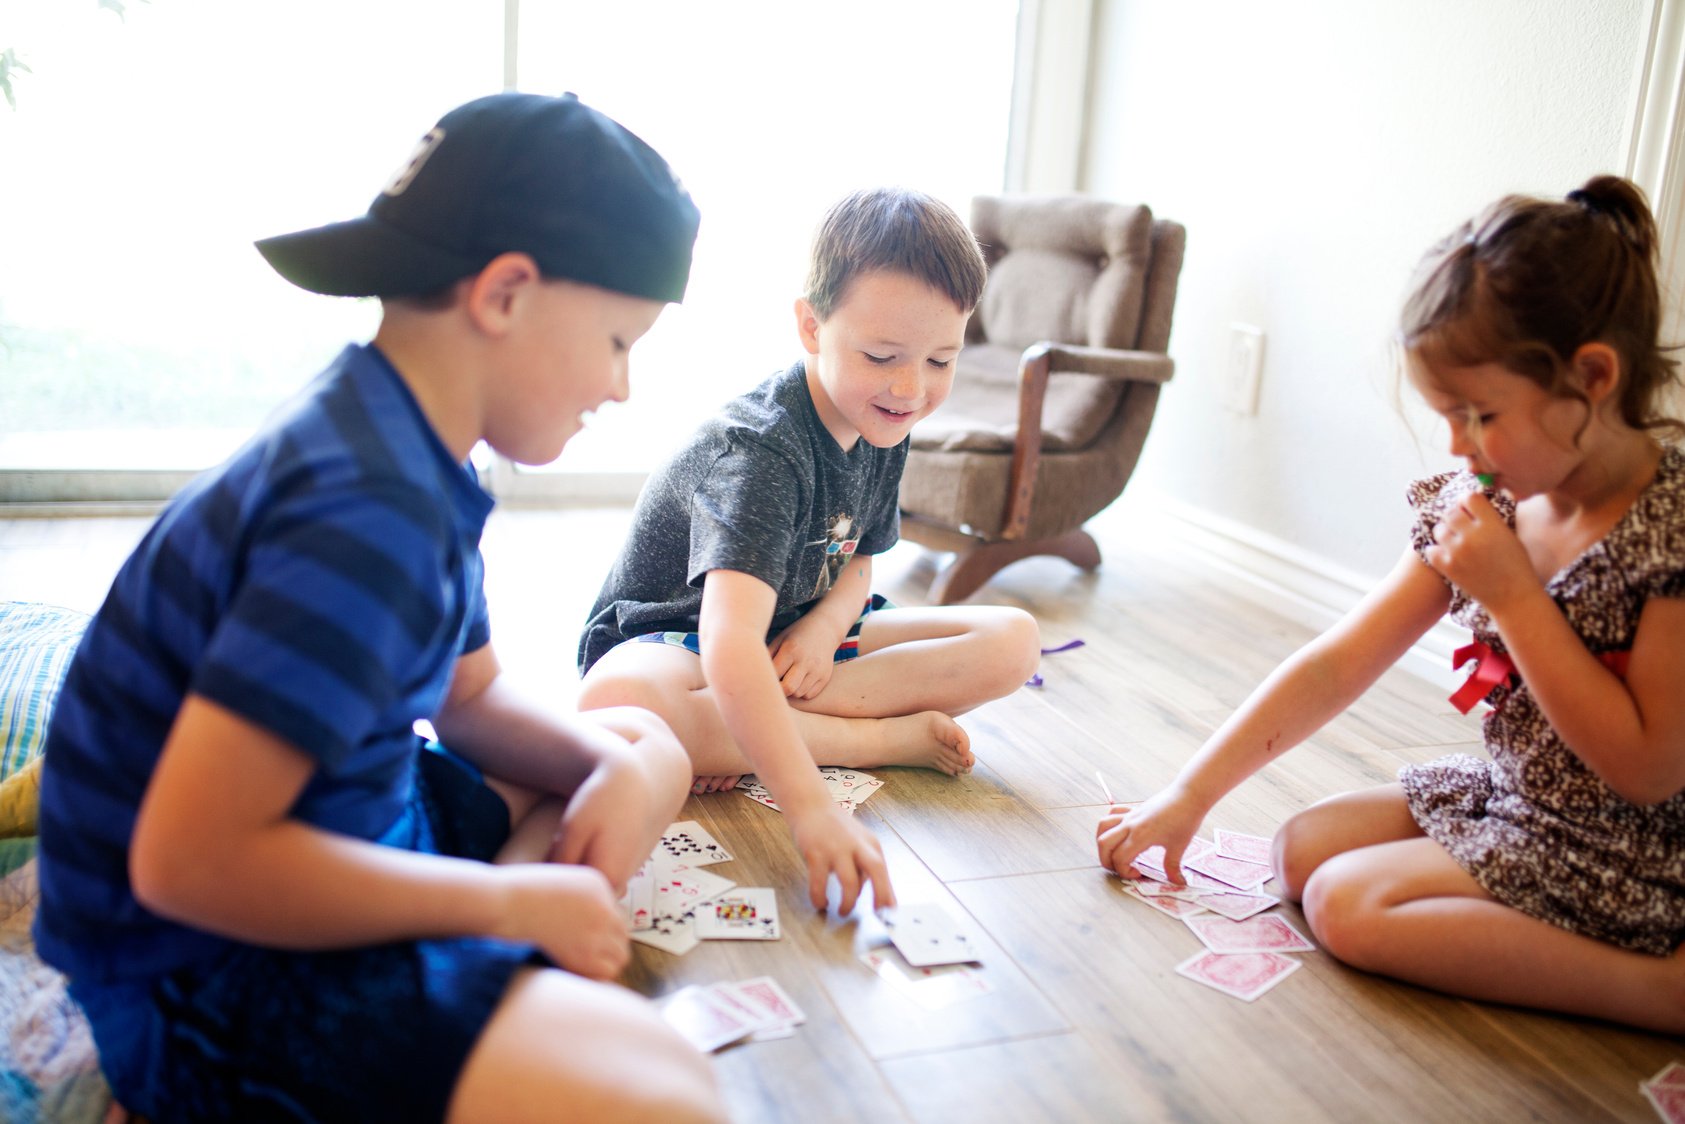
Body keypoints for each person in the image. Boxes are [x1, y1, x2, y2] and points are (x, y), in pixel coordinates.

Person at [33, 92, 728, 1123]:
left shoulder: (399, 439)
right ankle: (478, 969)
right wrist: (507, 894)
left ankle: (481, 973)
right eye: (620, 340)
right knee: (672, 1093)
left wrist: (611, 770)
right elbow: (188, 862)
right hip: (199, 973)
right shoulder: (363, 510)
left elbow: (470, 699)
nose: (620, 387)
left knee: (643, 744)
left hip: (342, 824)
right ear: (504, 293)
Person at [1097, 175, 1685, 1033]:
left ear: (1592, 378)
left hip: (1627, 847)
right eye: (1445, 414)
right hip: (1513, 794)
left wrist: (1515, 598)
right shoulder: (1492, 502)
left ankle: (1660, 989)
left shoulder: (1663, 534)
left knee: (1343, 905)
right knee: (1297, 852)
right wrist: (1191, 793)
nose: (1456, 444)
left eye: (1480, 413)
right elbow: (1339, 660)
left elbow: (1645, 771)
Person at [577, 187, 1041, 916]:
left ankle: (751, 732)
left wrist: (823, 630)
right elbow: (727, 642)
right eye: (883, 355)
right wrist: (812, 806)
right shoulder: (762, 450)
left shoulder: (886, 416)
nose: (911, 387)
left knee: (1013, 640)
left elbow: (858, 561)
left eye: (940, 360)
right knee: (618, 701)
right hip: (678, 640)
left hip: (792, 631)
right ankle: (873, 740)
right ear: (809, 325)